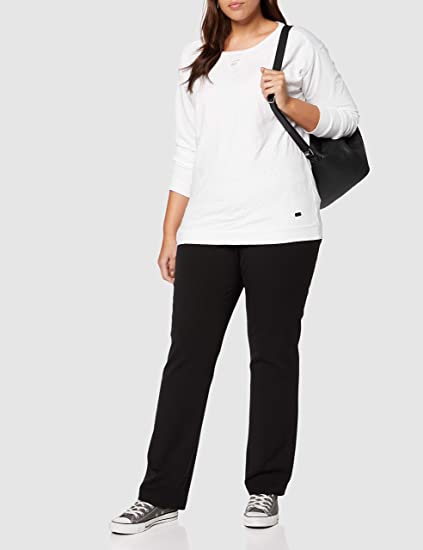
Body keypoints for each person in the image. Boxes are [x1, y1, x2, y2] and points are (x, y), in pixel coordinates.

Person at [111, 0, 359, 535]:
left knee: (272, 357)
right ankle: (159, 495)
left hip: (284, 227)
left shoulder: (297, 44)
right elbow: (187, 150)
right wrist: (170, 232)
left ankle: (265, 488)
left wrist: (290, 103)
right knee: (187, 361)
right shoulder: (196, 57)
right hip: (207, 230)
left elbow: (345, 119)